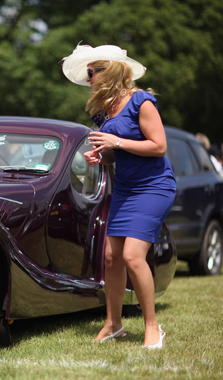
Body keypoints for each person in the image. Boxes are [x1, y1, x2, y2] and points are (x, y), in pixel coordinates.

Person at [62, 44, 176, 349]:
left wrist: (117, 141)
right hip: (126, 188)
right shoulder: (103, 110)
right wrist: (102, 157)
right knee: (111, 258)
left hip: (155, 186)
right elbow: (115, 154)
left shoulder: (142, 101)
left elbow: (159, 147)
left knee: (132, 256)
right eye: (87, 73)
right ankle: (113, 324)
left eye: (92, 71)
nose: (88, 78)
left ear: (110, 70)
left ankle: (152, 326)